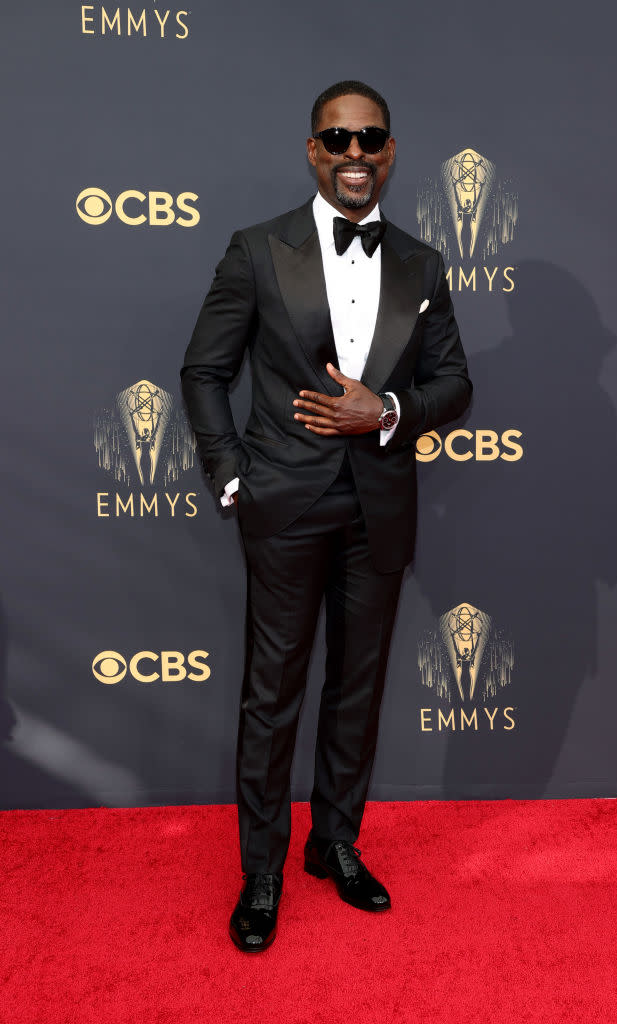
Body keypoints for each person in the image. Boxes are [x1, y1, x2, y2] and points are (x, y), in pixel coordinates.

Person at [181, 80, 472, 952]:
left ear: (390, 153)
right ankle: (261, 869)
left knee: (358, 687)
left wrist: (382, 411)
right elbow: (203, 371)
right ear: (313, 150)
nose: (355, 156)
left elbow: (453, 383)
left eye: (370, 140)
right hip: (284, 503)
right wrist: (232, 474)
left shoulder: (422, 263)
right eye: (337, 141)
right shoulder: (256, 250)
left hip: (378, 503)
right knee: (271, 694)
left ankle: (334, 844)